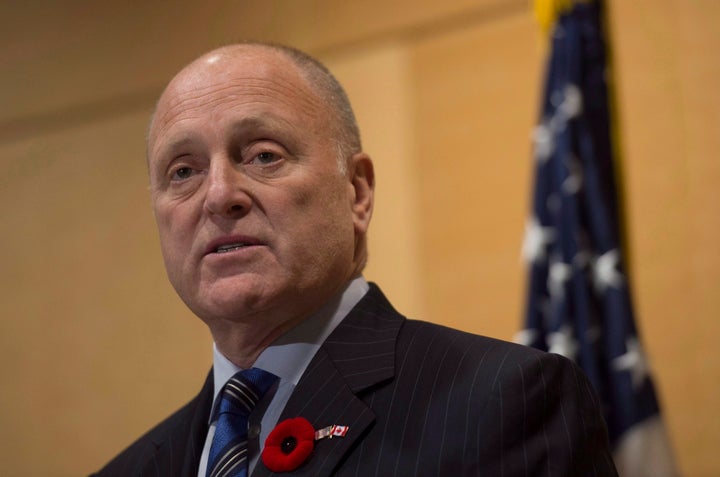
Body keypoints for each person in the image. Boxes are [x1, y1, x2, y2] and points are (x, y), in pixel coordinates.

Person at [93, 42, 618, 477]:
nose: (219, 194)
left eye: (262, 156)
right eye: (183, 171)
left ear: (357, 191)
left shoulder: (505, 404)